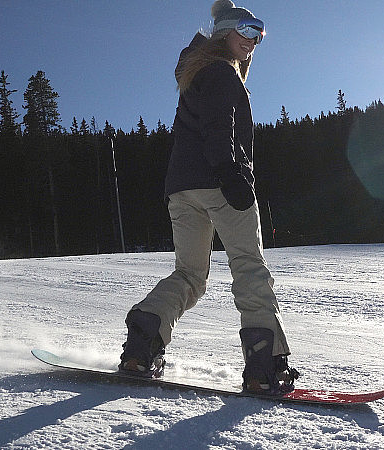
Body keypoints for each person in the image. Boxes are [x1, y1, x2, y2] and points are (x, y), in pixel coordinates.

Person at [118, 0, 298, 395]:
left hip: (182, 190)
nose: (253, 41)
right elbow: (220, 126)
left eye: (260, 34)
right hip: (221, 183)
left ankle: (141, 347)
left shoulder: (197, 70)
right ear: (225, 33)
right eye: (247, 31)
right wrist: (230, 173)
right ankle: (263, 370)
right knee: (249, 267)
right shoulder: (220, 72)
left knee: (189, 275)